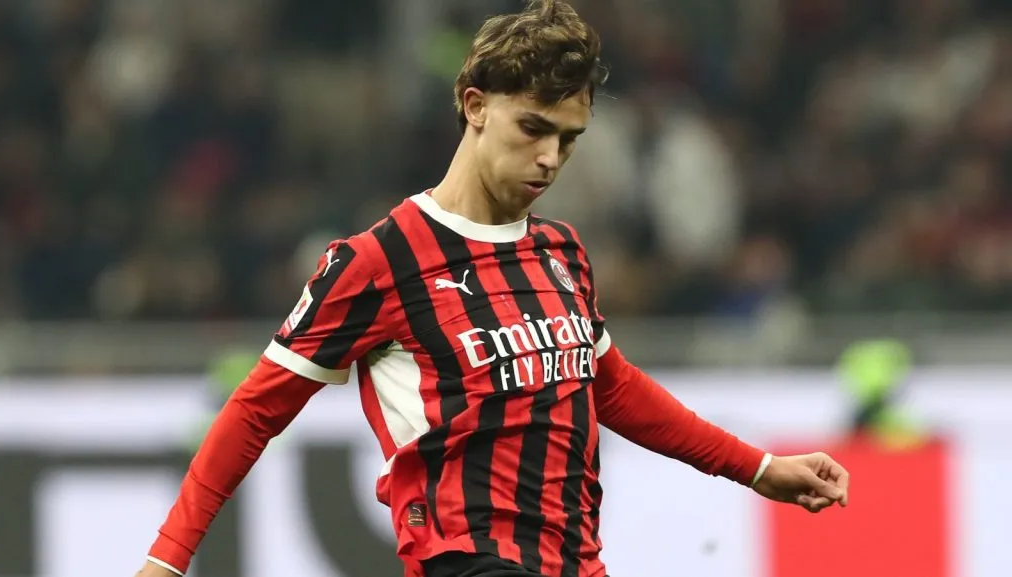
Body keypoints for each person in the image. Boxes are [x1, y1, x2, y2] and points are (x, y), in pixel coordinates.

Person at [135, 1, 850, 576]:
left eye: (568, 138)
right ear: (475, 105)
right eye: (533, 128)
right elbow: (253, 411)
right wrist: (167, 558)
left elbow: (612, 387)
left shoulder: (561, 252)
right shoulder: (379, 260)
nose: (550, 157)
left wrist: (757, 467)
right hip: (466, 558)